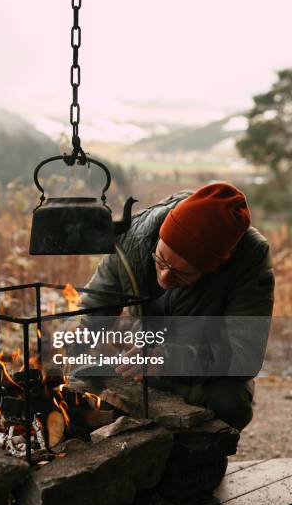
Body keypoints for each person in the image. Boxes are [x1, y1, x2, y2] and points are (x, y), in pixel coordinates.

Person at [79, 182, 275, 431]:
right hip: (140, 357)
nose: (163, 278)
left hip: (202, 369)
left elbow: (244, 354)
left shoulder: (250, 259)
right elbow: (93, 309)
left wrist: (165, 357)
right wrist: (70, 343)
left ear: (212, 268)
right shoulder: (131, 240)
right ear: (160, 236)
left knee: (229, 403)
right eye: (160, 261)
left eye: (182, 276)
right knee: (82, 377)